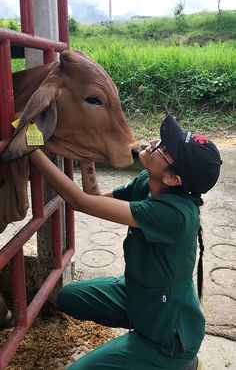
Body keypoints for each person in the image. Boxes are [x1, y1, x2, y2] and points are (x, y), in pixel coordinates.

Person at [29, 113, 222, 370]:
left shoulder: (175, 215)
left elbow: (80, 202)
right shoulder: (148, 182)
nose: (153, 143)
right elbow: (94, 196)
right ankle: (140, 323)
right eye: (161, 139)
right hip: (142, 292)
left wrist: (30, 147)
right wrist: (87, 155)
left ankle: (177, 362)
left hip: (167, 338)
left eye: (163, 149)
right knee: (68, 297)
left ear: (173, 178)